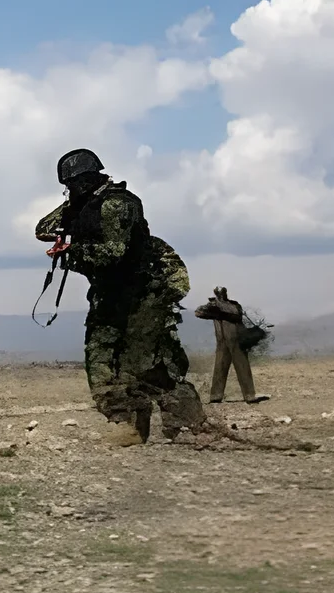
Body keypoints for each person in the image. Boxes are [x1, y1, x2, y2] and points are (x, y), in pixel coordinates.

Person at [34, 149, 207, 446]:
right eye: (68, 186)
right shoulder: (81, 205)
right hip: (108, 297)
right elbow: (42, 229)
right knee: (100, 364)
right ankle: (127, 426)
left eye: (74, 183)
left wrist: (72, 249)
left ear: (90, 178)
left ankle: (188, 423)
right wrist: (70, 214)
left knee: (146, 367)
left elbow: (114, 253)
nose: (71, 189)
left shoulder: (118, 204)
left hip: (143, 297)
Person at [194, 286, 270, 404]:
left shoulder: (234, 305)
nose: (221, 294)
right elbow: (198, 313)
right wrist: (212, 311)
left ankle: (249, 395)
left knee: (242, 366)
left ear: (225, 293)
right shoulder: (213, 305)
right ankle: (216, 396)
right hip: (222, 341)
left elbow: (237, 317)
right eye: (219, 292)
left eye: (222, 292)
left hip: (237, 339)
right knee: (220, 367)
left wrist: (220, 314)